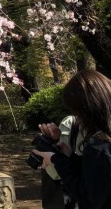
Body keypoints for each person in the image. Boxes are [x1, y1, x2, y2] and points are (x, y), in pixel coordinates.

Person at [32, 70, 111, 209]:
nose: (77, 118)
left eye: (77, 111)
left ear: (88, 109)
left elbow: (88, 198)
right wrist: (67, 153)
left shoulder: (98, 148)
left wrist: (56, 160)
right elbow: (97, 178)